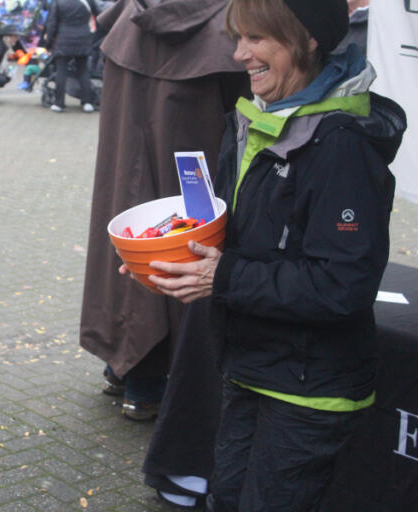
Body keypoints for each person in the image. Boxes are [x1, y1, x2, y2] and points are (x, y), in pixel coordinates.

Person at [133, 0, 406, 509]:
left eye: (257, 39)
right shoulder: (255, 119)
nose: (239, 54)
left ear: (307, 38)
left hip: (308, 390)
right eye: (238, 38)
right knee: (227, 498)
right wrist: (164, 258)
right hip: (248, 366)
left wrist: (224, 276)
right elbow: (233, 238)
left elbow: (342, 285)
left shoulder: (342, 145)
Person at [80, 0, 248, 421]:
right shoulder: (227, 22)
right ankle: (147, 381)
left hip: (134, 162)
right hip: (193, 161)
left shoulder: (134, 14)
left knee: (142, 235)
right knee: (183, 243)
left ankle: (128, 369)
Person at [42, 0, 100, 113]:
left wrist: (48, 43)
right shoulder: (88, 1)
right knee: (83, 71)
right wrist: (93, 37)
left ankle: (59, 103)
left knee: (61, 72)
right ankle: (87, 102)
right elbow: (99, 17)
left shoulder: (58, 2)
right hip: (83, 38)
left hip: (63, 39)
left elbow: (52, 23)